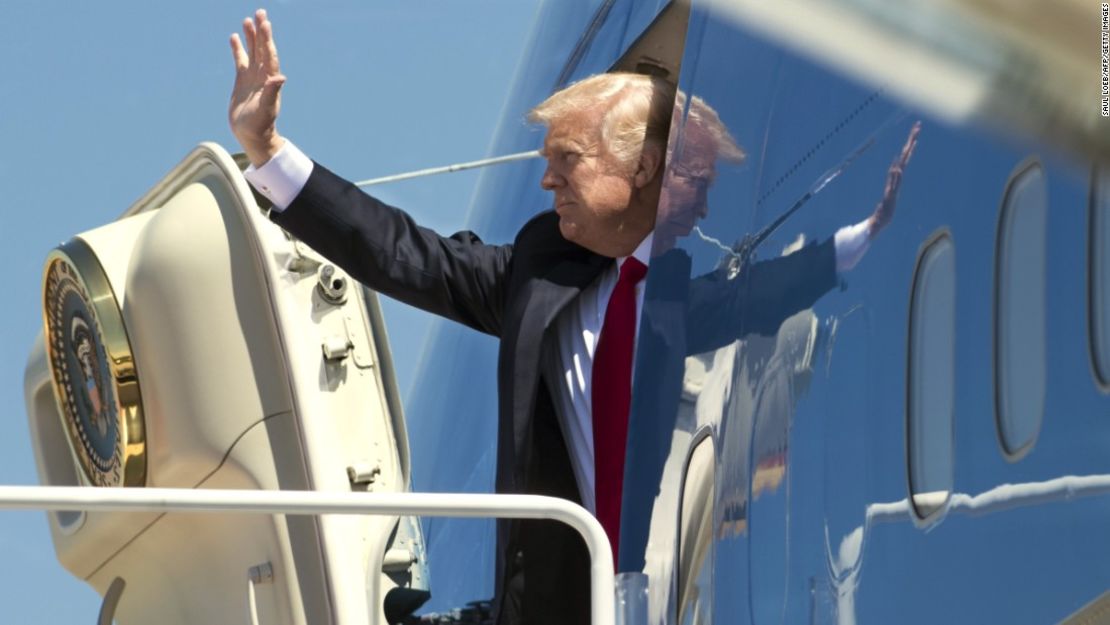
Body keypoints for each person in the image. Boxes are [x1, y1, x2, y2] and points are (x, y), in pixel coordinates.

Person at [227, 10, 917, 624]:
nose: (547, 179)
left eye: (568, 159)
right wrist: (269, 154)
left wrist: (869, 231)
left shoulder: (676, 297)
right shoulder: (536, 273)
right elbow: (399, 250)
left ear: (643, 168)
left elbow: (766, 290)